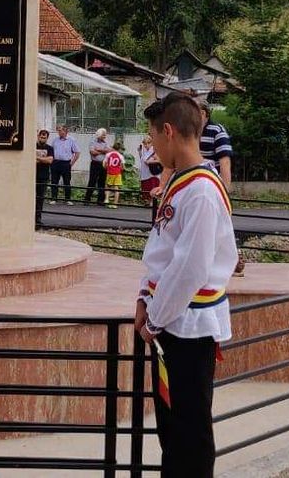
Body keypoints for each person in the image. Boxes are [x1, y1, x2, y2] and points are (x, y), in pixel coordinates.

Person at [135, 92, 238, 478]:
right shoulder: (182, 182)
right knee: (173, 429)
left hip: (187, 328)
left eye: (153, 137)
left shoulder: (202, 192)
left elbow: (191, 268)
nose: (153, 146)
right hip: (170, 323)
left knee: (190, 431)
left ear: (169, 131)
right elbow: (161, 250)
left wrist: (155, 317)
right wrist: (145, 296)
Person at [49, 125, 79, 203]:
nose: (59, 132)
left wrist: (71, 163)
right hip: (55, 163)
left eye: (60, 130)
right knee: (54, 181)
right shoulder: (55, 140)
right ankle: (54, 198)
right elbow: (51, 151)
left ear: (65, 131)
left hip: (66, 163)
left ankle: (67, 199)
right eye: (58, 131)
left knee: (67, 181)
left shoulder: (71, 140)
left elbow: (77, 152)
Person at [35, 129, 54, 226]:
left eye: (45, 137)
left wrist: (37, 158)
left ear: (47, 138)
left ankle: (38, 219)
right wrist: (44, 159)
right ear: (38, 136)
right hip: (33, 176)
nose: (43, 139)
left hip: (43, 176)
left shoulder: (50, 148)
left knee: (40, 198)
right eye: (41, 137)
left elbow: (50, 160)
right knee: (32, 198)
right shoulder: (33, 146)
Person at [87, 127, 110, 206]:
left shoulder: (105, 143)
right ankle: (87, 199)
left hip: (103, 164)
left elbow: (108, 151)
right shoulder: (92, 142)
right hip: (95, 164)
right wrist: (103, 151)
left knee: (102, 182)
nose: (105, 136)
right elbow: (92, 152)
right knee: (92, 181)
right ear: (99, 135)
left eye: (105, 135)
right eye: (103, 135)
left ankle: (100, 200)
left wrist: (99, 150)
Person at [139, 136, 162, 203]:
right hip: (145, 173)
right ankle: (148, 201)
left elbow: (159, 160)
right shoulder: (144, 150)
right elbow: (142, 160)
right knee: (146, 187)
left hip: (152, 173)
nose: (146, 145)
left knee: (152, 187)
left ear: (151, 143)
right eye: (145, 143)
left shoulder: (154, 150)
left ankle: (152, 202)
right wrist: (140, 152)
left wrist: (149, 162)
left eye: (148, 143)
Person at [103, 142, 125, 208]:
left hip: (110, 173)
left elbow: (104, 164)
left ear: (113, 147)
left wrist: (107, 168)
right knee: (116, 188)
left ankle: (106, 199)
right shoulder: (121, 156)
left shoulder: (108, 154)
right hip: (117, 174)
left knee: (107, 186)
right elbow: (123, 167)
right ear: (119, 149)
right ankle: (115, 203)